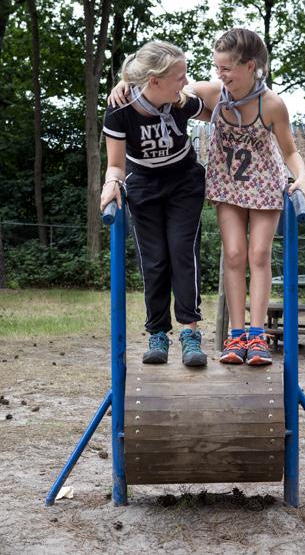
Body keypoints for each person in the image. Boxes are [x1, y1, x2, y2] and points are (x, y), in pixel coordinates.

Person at [109, 28, 305, 367]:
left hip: (257, 182)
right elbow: (160, 89)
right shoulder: (209, 93)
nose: (219, 74)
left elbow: (290, 150)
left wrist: (301, 177)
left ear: (249, 66)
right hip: (225, 183)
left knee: (257, 254)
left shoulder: (269, 104)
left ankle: (255, 335)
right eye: (217, 68)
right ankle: (234, 335)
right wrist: (125, 83)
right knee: (231, 253)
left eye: (226, 68)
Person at [101, 40, 211, 367]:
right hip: (144, 186)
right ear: (154, 82)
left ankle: (190, 333)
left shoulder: (181, 102)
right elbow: (116, 164)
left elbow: (218, 94)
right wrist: (111, 183)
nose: (186, 82)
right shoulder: (120, 110)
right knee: (154, 260)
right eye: (180, 76)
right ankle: (157, 333)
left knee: (181, 251)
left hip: (184, 183)